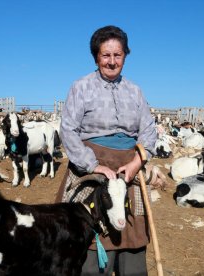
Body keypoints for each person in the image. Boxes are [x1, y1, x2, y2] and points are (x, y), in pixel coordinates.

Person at [55, 25, 157, 275]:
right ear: (96, 57)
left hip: (129, 171)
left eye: (118, 55)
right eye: (105, 55)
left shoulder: (135, 91)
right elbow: (68, 130)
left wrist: (136, 163)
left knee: (133, 239)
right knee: (88, 244)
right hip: (90, 169)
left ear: (125, 55)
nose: (112, 62)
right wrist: (93, 166)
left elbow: (149, 131)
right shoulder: (81, 87)